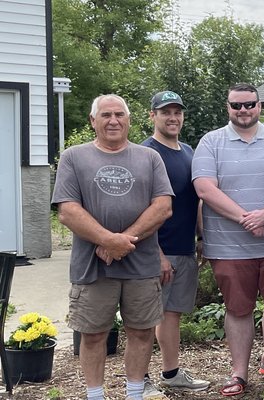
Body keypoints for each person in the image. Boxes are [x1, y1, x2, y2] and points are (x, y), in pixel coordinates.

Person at [52, 94, 173, 400]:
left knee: (142, 331)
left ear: (129, 120)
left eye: (120, 114)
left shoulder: (149, 158)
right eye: (105, 115)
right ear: (93, 121)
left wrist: (123, 241)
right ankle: (95, 395)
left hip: (141, 264)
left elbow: (162, 207)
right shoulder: (73, 157)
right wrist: (107, 240)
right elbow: (67, 210)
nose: (113, 120)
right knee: (92, 335)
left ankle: (134, 393)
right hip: (92, 265)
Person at [192, 83, 264, 396]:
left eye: (249, 104)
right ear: (228, 107)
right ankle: (239, 372)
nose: (243, 110)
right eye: (236, 105)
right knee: (238, 308)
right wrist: (245, 219)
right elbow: (205, 189)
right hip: (229, 245)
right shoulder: (211, 142)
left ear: (259, 105)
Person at [141, 91, 211, 392]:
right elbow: (141, 208)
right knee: (145, 317)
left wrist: (202, 237)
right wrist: (156, 254)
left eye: (177, 112)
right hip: (156, 251)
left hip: (183, 249)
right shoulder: (145, 153)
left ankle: (171, 375)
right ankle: (139, 380)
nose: (172, 118)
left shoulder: (187, 151)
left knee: (171, 316)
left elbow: (194, 201)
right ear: (152, 116)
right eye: (165, 112)